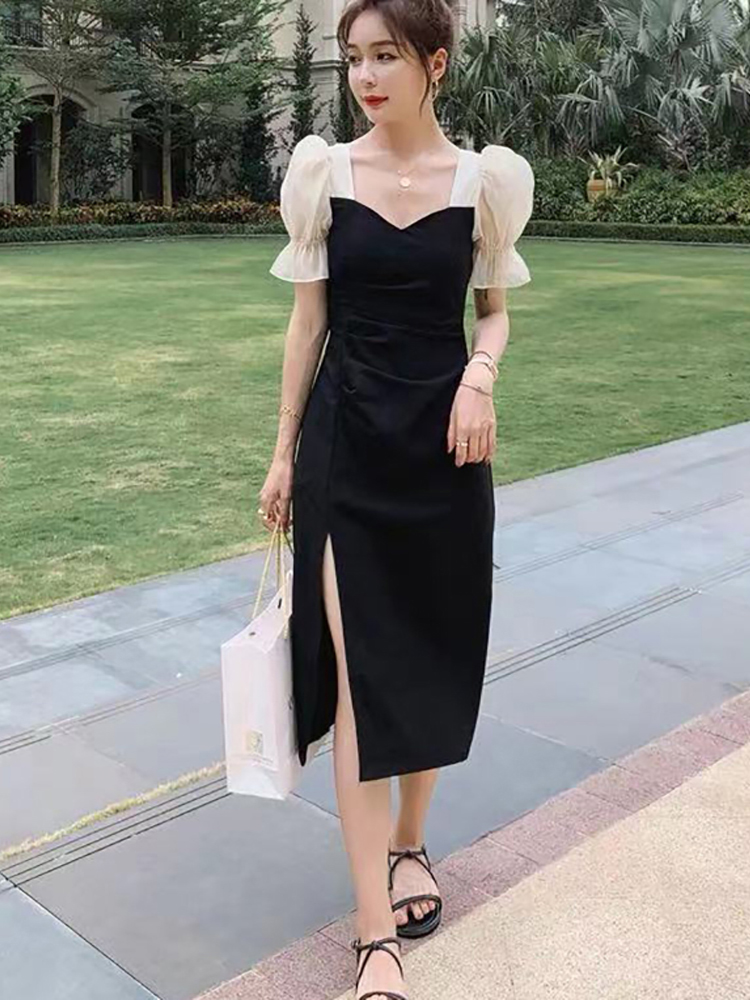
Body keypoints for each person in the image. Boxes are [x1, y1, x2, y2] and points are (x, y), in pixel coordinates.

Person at [258, 0, 534, 995]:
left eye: (387, 56)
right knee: (363, 685)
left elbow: (493, 315)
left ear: (436, 64)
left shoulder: (483, 183)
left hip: (445, 455)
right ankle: (374, 934)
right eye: (355, 58)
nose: (366, 77)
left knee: (430, 654)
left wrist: (479, 377)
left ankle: (411, 840)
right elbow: (307, 326)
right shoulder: (324, 175)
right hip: (346, 454)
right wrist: (282, 454)